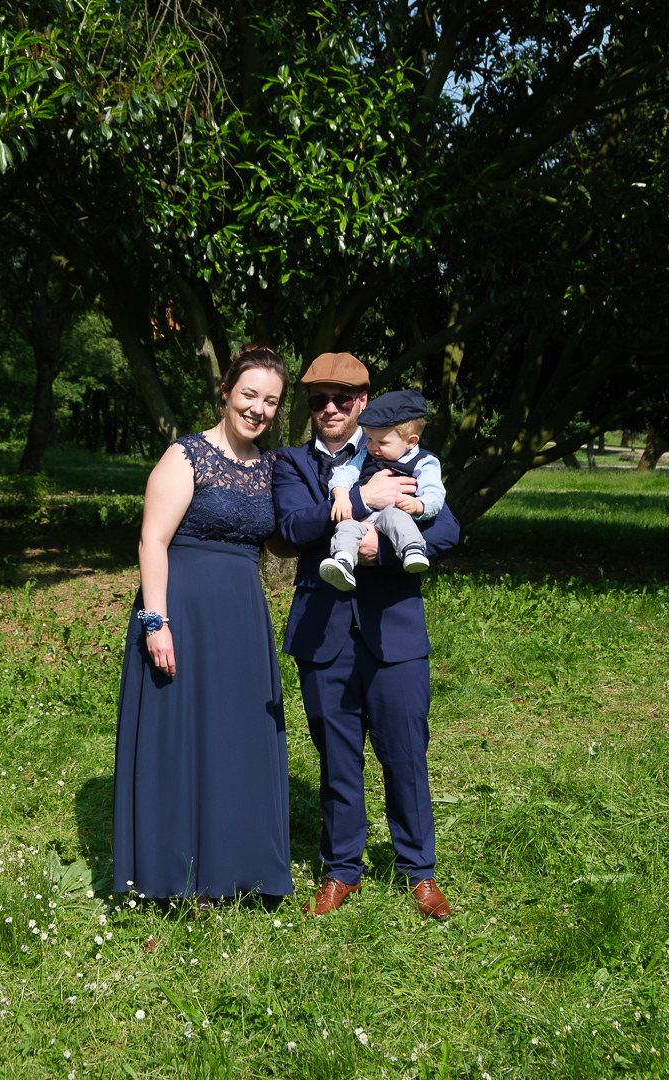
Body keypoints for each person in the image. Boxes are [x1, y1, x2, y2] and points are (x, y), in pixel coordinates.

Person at [273, 352, 460, 919]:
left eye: (342, 399)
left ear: (362, 402)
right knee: (337, 759)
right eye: (318, 400)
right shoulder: (292, 462)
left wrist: (383, 553)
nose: (329, 408)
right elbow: (291, 528)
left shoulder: (402, 455)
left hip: (394, 632)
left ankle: (419, 871)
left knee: (405, 755)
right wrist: (361, 500)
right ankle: (341, 871)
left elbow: (447, 530)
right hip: (322, 635)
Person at [113, 345, 294, 905]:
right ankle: (172, 872)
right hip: (181, 615)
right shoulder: (186, 455)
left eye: (270, 401)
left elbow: (287, 537)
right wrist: (155, 622)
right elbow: (152, 540)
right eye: (249, 394)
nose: (258, 409)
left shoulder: (271, 468)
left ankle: (237, 868)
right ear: (226, 392)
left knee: (236, 738)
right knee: (181, 738)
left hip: (241, 621)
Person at [320, 388, 445, 590]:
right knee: (346, 526)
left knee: (396, 516)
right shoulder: (365, 454)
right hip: (363, 518)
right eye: (369, 439)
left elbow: (435, 493)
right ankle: (343, 562)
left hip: (395, 513)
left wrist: (419, 505)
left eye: (382, 442)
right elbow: (344, 472)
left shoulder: (424, 462)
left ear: (411, 442)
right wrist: (341, 495)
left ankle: (412, 550)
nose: (373, 447)